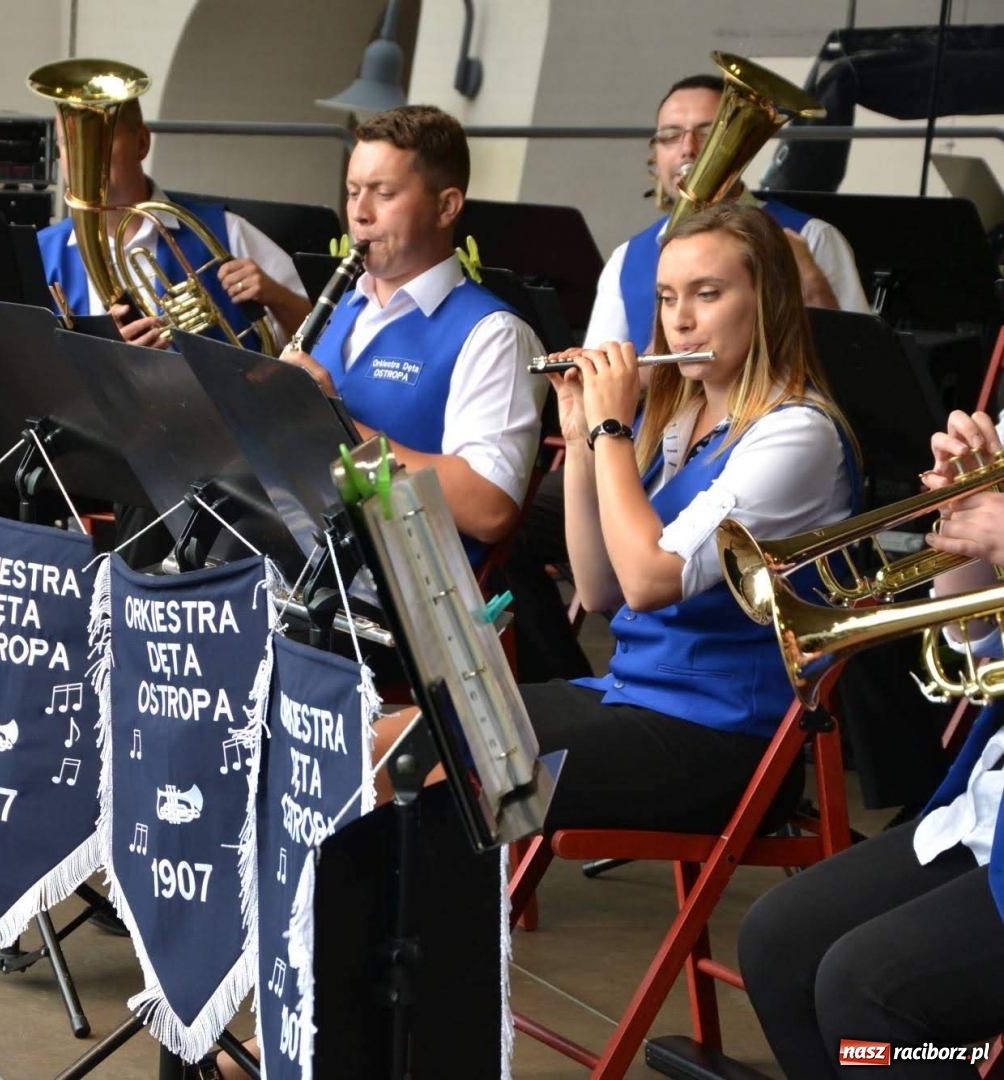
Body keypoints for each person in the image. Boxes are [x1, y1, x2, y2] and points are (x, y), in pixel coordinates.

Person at [374, 202, 857, 840]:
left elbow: (648, 582)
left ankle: (422, 936)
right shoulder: (683, 422)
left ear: (767, 300)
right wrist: (579, 437)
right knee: (383, 739)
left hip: (722, 741)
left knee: (434, 779)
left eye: (706, 295)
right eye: (665, 298)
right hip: (628, 697)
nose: (680, 322)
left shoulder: (796, 434)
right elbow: (599, 589)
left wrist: (611, 430)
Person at [739, 408, 1004, 1079]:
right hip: (992, 809)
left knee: (868, 995)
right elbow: (981, 651)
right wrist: (966, 527)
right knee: (778, 944)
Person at [279, 104, 545, 560]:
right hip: (300, 566)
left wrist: (337, 427)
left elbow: (489, 508)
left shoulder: (494, 334)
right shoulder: (341, 306)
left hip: (403, 599)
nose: (359, 214)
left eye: (383, 193)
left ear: (446, 207)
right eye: (352, 191)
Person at [585, 73, 871, 352]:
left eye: (707, 132)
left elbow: (864, 360)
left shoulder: (811, 236)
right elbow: (597, 383)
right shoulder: (626, 260)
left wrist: (813, 289)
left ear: (742, 145)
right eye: (670, 136)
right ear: (655, 156)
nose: (687, 148)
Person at [38, 96, 310, 351]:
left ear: (142, 143)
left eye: (103, 140)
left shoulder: (225, 231)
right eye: (70, 143)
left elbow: (325, 338)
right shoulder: (39, 254)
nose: (86, 158)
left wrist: (278, 297)